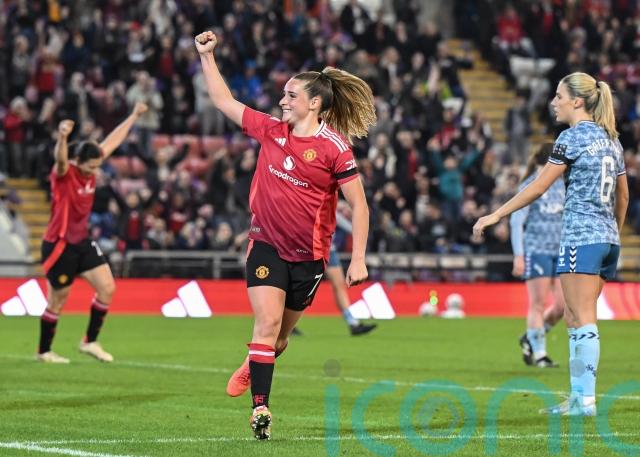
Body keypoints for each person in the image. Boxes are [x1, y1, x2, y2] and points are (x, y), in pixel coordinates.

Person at [195, 30, 375, 439]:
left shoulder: (335, 148)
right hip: (266, 244)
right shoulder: (271, 131)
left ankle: (253, 363)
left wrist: (358, 258)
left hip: (309, 257)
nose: (282, 101)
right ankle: (261, 410)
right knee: (266, 323)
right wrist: (207, 56)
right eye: (283, 94)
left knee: (277, 341)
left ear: (314, 103)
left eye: (291, 95)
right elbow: (224, 101)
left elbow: (360, 205)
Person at [474, 72, 628, 416]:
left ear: (577, 101)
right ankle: (577, 397)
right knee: (573, 316)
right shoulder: (611, 140)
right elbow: (624, 196)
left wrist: (496, 214)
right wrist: (613, 233)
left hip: (580, 238)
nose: (553, 102)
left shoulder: (570, 138)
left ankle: (585, 400)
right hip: (607, 240)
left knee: (582, 318)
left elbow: (539, 186)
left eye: (559, 96)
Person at [37, 102, 148, 364]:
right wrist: (62, 137)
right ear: (78, 161)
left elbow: (112, 141)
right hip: (59, 244)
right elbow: (60, 159)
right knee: (58, 300)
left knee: (107, 288)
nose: (94, 171)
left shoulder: (92, 163)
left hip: (82, 241)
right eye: (90, 167)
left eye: (97, 166)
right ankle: (44, 351)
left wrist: (133, 115)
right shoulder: (64, 174)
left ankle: (89, 341)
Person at [509, 143, 565, 368]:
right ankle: (540, 354)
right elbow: (516, 221)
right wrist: (519, 255)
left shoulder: (562, 184)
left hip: (560, 251)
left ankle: (529, 337)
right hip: (537, 249)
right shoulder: (530, 185)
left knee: (562, 306)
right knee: (538, 304)